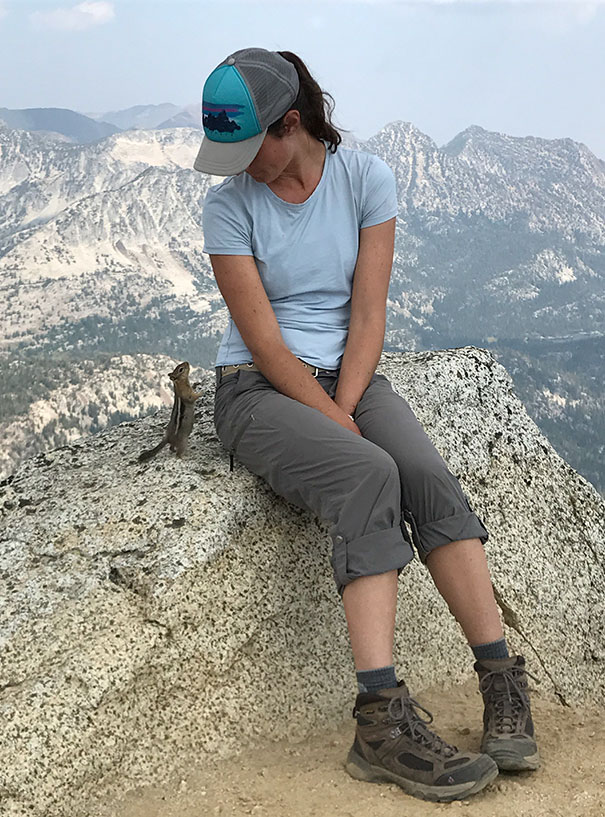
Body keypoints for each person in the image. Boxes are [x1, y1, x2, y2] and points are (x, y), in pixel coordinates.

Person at [194, 46, 540, 803]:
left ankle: (500, 680)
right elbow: (265, 346)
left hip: (349, 373)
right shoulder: (227, 208)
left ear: (291, 124)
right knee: (367, 473)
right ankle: (379, 722)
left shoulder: (365, 179)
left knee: (425, 473)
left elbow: (368, 314)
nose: (237, 167)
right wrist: (338, 425)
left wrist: (345, 405)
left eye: (248, 148)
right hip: (255, 389)